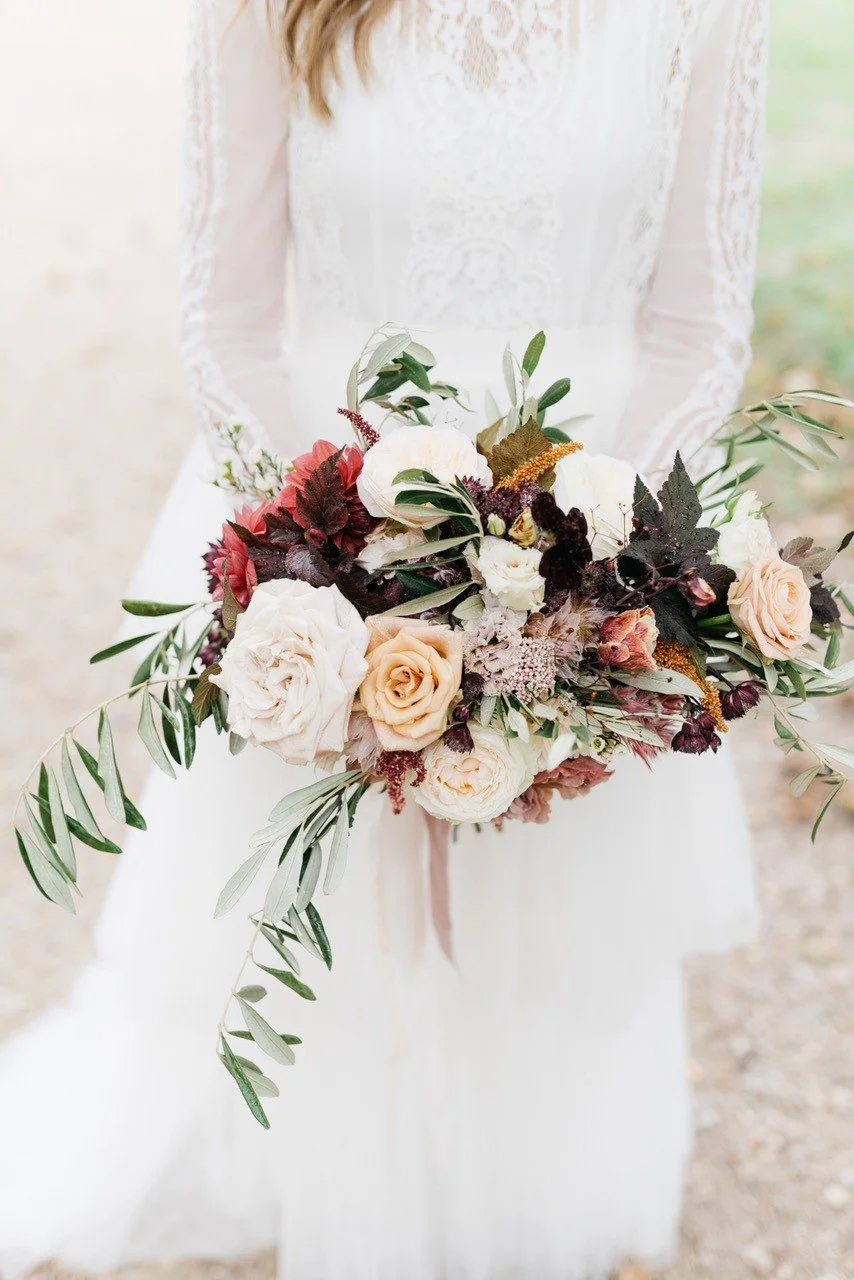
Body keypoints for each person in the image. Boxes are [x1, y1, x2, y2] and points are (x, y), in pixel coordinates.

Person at [0, 0, 766, 1275]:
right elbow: (229, 318)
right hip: (323, 517)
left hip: (590, 531)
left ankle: (528, 1191)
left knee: (563, 907)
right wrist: (328, 571)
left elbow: (694, 330)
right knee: (324, 912)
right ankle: (335, 1187)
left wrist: (576, 573)